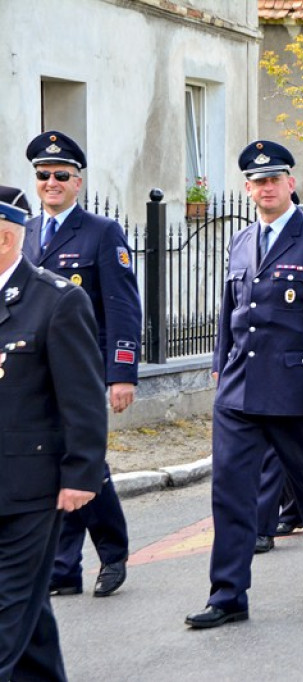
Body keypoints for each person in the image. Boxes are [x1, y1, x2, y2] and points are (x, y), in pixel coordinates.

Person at [185, 140, 303, 629]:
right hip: (239, 391)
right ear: (247, 188)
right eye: (257, 182)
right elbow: (230, 314)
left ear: (291, 183)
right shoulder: (241, 241)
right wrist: (220, 369)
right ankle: (228, 595)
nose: (265, 188)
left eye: (273, 179)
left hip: (293, 392)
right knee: (230, 492)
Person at [23, 131, 140, 599]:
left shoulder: (101, 232)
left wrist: (123, 374)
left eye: (61, 176)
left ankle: (112, 551)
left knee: (84, 461)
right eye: (43, 175)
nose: (51, 182)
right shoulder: (26, 232)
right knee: (53, 463)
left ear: (78, 182)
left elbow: (123, 307)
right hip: (34, 374)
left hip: (84, 370)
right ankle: (63, 568)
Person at [0, 200, 107, 682]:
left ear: (5, 238)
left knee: (7, 608)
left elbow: (82, 397)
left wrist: (82, 472)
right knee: (29, 616)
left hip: (29, 487)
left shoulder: (57, 300)